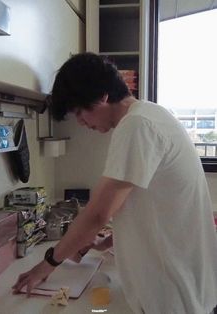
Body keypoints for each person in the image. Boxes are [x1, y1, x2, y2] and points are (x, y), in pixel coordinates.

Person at [12, 52, 217, 314]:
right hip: (181, 284)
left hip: (173, 294)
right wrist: (107, 242)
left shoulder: (137, 126)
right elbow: (143, 201)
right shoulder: (150, 116)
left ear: (102, 95)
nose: (82, 122)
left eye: (79, 111)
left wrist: (47, 263)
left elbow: (98, 214)